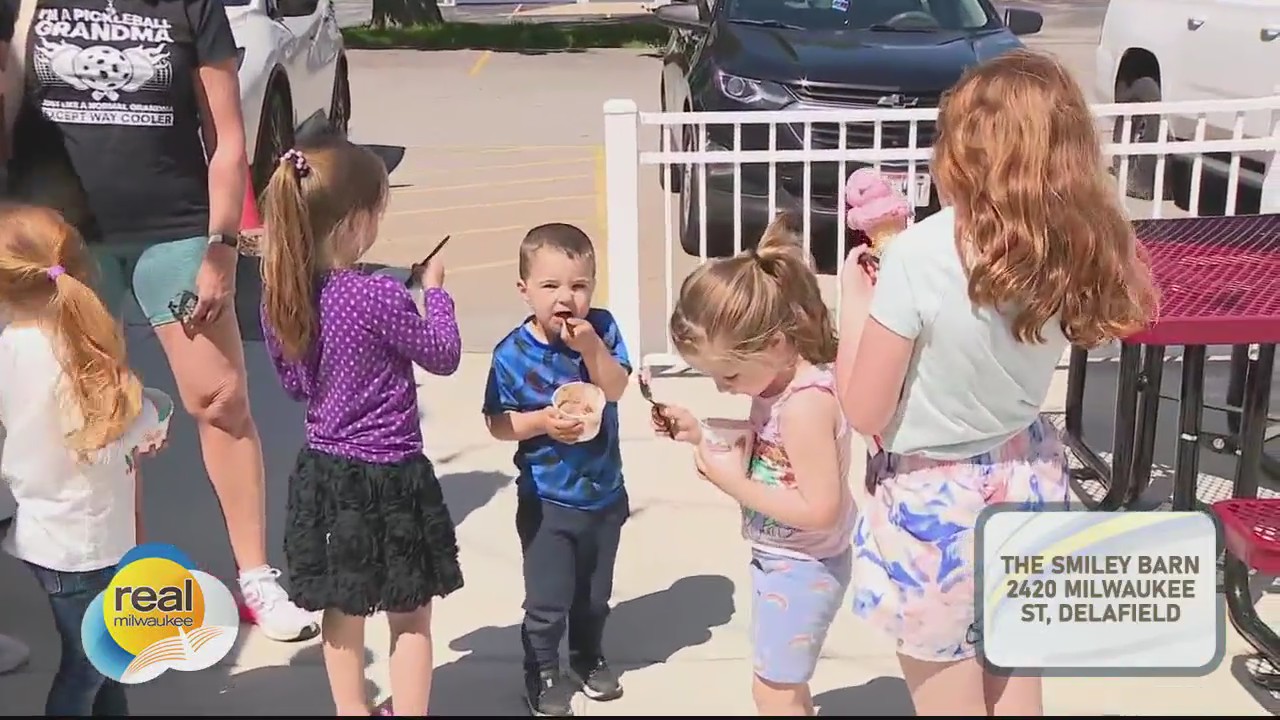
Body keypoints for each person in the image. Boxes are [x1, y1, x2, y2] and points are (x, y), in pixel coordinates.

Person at [834, 49, 1158, 716]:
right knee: (1015, 682)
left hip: (934, 501)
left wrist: (854, 302)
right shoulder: (1075, 244)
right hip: (1028, 476)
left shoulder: (920, 254)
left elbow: (865, 408)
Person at [3, 0, 318, 642]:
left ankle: (255, 577)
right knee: (90, 415)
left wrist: (222, 246)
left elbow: (227, 139)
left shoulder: (191, 5)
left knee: (220, 400)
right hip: (62, 242)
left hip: (173, 231)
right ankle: (125, 584)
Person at [258, 136, 465, 717]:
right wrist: (435, 294)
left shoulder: (284, 297)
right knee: (410, 612)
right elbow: (443, 354)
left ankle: (353, 710)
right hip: (393, 473)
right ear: (354, 223)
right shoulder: (377, 296)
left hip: (327, 473)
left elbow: (296, 384)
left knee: (343, 606)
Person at [649, 213, 855, 716]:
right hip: (787, 561)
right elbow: (770, 447)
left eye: (730, 375)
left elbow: (822, 509)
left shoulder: (804, 407)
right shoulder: (778, 386)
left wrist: (731, 482)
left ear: (776, 345)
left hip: (804, 567)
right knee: (786, 685)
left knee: (772, 692)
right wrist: (699, 431)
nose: (724, 387)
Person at [0, 204, 173, 715]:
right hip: (86, 541)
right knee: (90, 664)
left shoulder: (12, 344)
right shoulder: (76, 350)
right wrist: (152, 420)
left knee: (104, 657)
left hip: (49, 533)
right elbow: (107, 434)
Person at [483, 223, 633, 717]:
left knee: (594, 594)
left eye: (579, 285)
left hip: (604, 490)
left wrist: (591, 348)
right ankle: (542, 668)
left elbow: (616, 389)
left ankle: (587, 656)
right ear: (524, 289)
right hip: (547, 497)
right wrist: (542, 423)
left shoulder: (602, 329)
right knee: (548, 599)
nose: (566, 297)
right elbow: (498, 423)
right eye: (550, 286)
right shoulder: (511, 354)